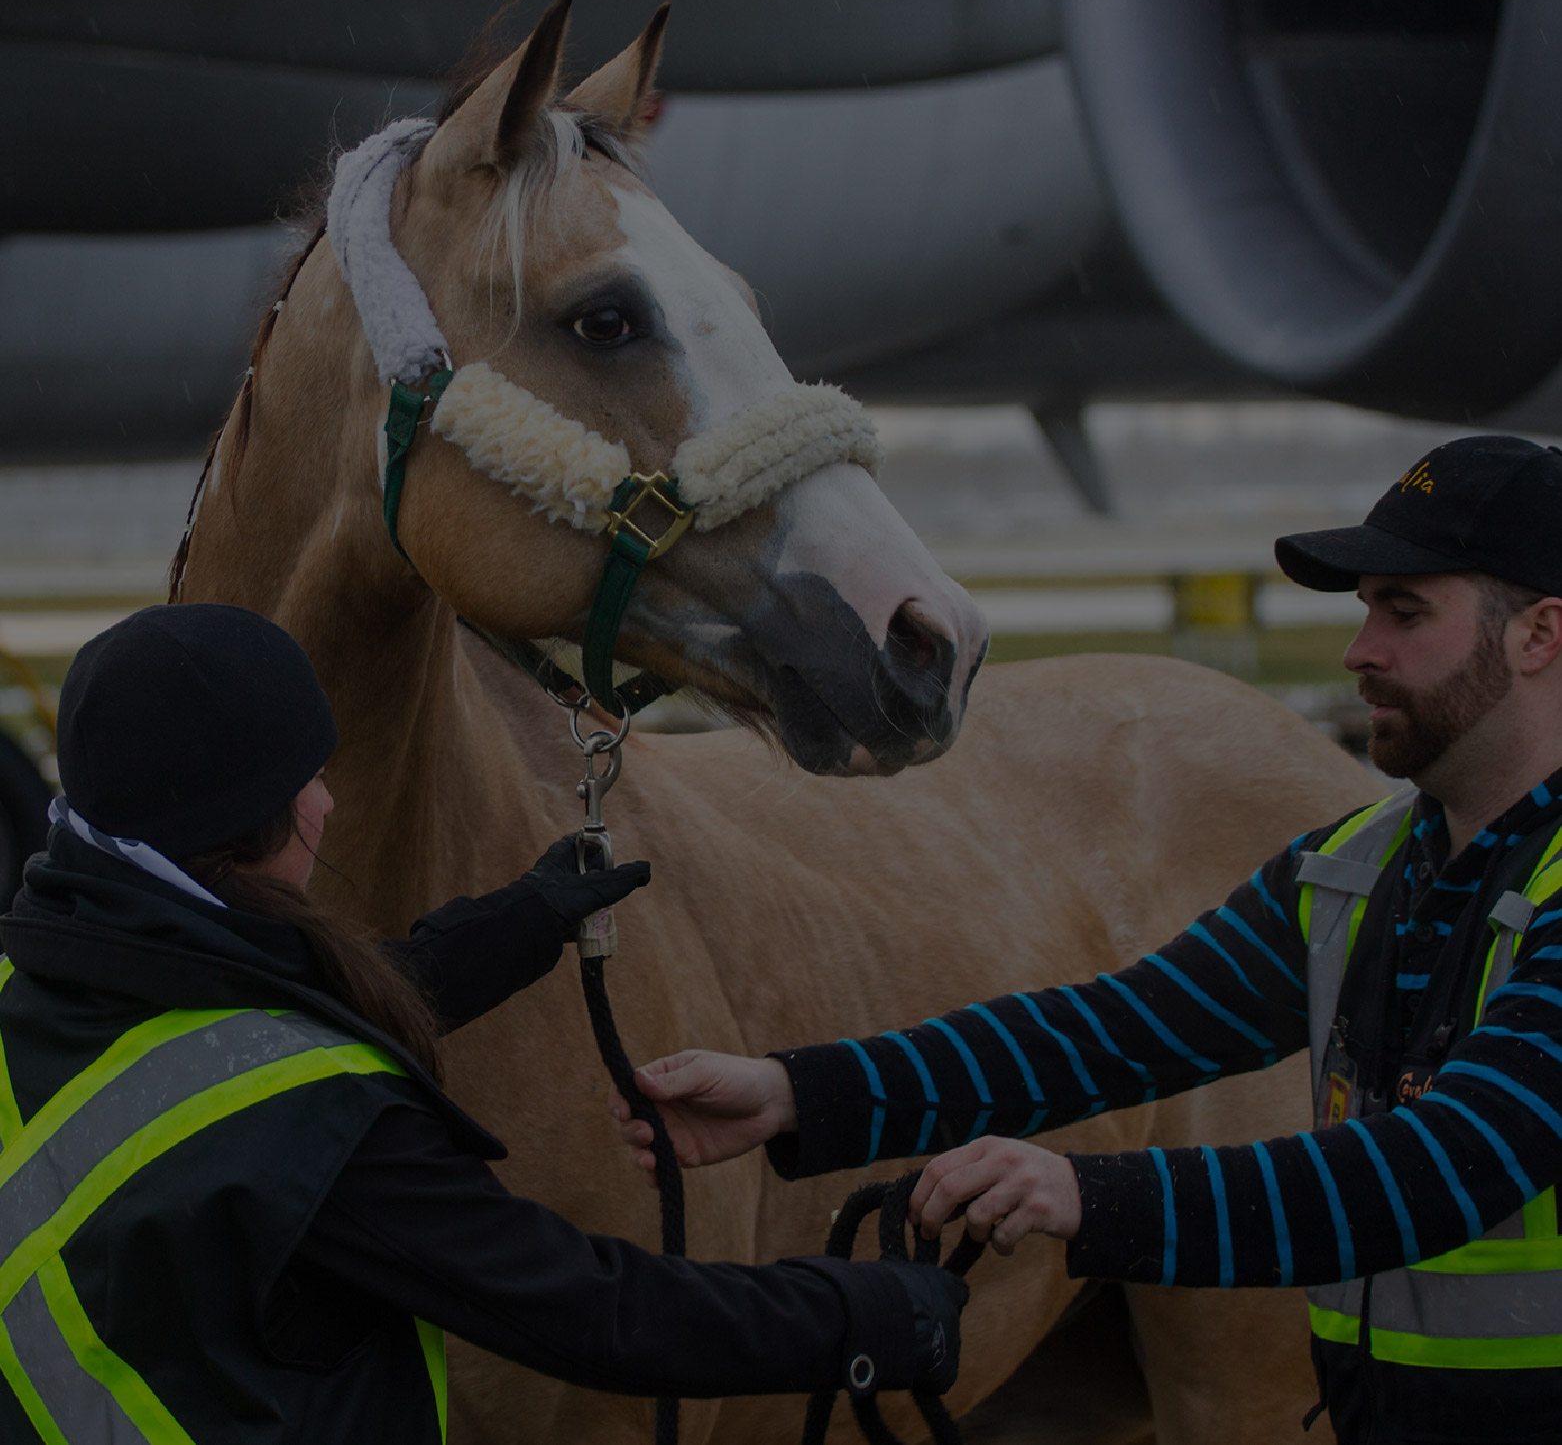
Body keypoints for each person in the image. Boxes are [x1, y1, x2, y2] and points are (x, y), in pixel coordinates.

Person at [616, 435, 1562, 1443]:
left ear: (1538, 634)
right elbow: (1113, 1032)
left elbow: (1436, 1171)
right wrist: (798, 1092)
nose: (1358, 651)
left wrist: (1082, 1193)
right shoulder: (1358, 866)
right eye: (1365, 608)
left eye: (1403, 613)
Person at [0, 602, 965, 1445]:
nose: (328, 803)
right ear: (255, 821)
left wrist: (516, 925)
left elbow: (210, 1034)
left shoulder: (31, 983)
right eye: (310, 780)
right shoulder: (318, 1131)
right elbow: (594, 1311)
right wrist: (873, 1315)